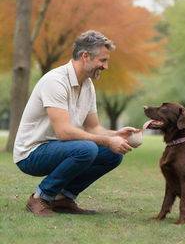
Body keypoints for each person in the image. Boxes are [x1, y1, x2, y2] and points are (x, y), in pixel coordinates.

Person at [13, 30, 139, 217]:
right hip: (31, 153)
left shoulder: (87, 85)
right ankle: (40, 197)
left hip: (59, 148)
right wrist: (105, 141)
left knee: (112, 154)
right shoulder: (55, 81)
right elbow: (63, 132)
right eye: (102, 60)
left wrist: (116, 135)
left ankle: (63, 198)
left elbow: (93, 127)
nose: (106, 66)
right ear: (85, 56)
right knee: (87, 149)